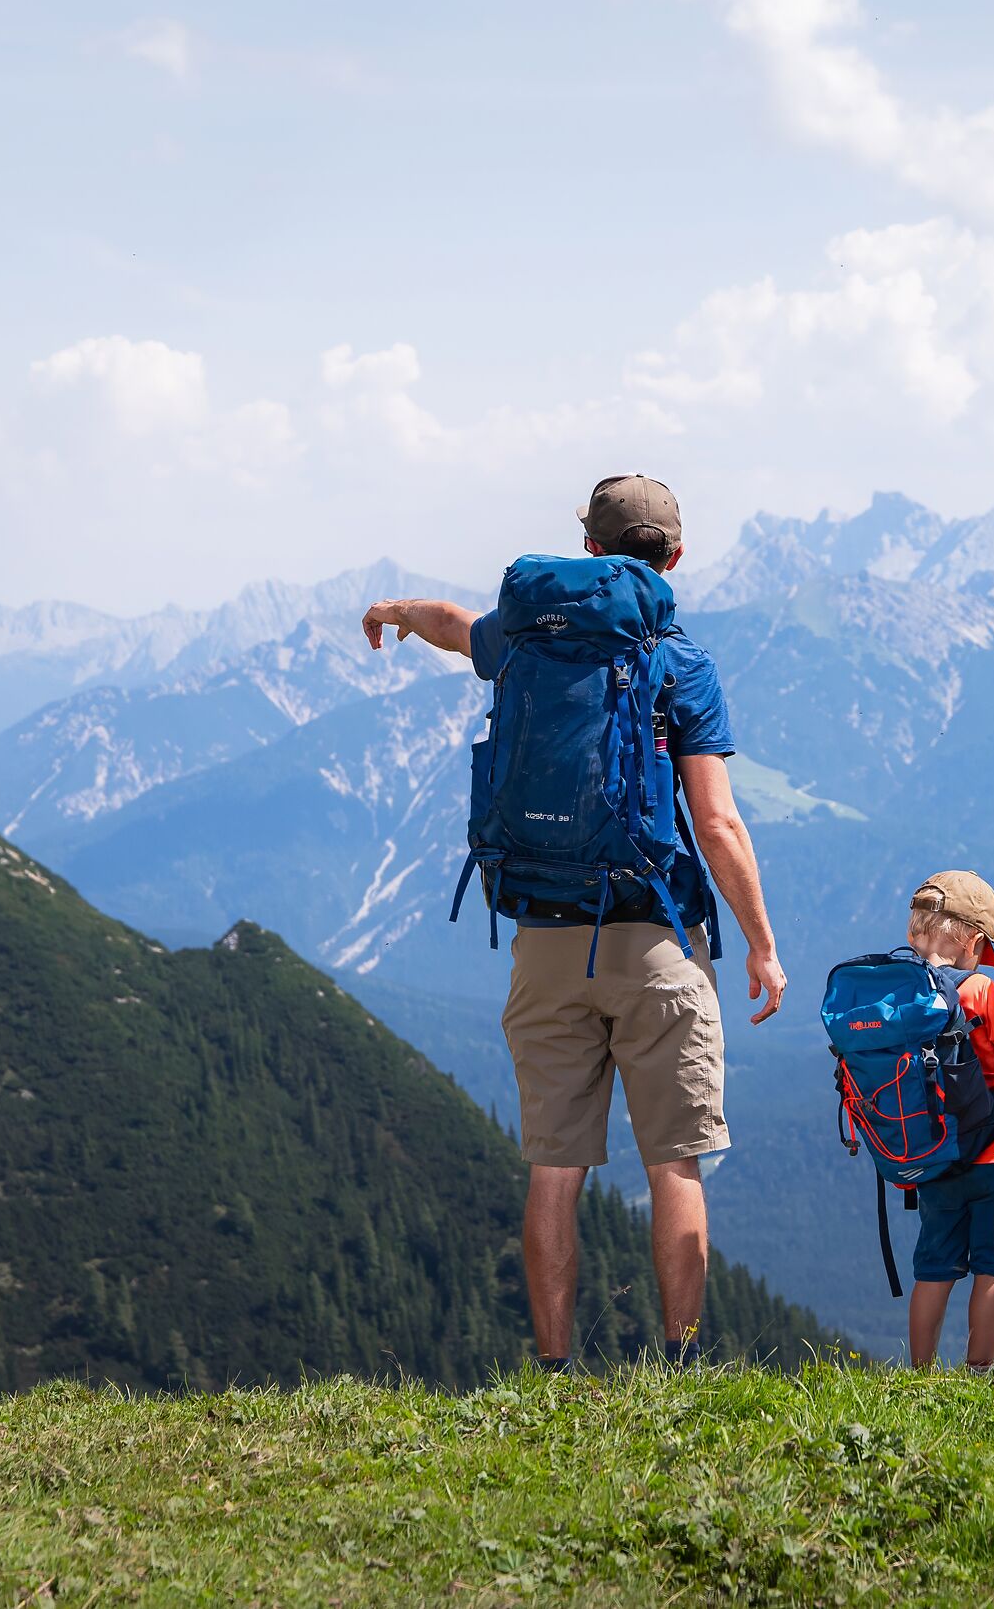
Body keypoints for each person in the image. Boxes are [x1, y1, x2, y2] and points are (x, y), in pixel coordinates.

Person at [360, 474, 787, 1373]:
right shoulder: (680, 662)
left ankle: (554, 1373)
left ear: (587, 547)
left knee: (555, 1169)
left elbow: (448, 621)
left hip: (544, 936)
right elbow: (715, 822)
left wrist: (395, 610)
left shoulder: (523, 636)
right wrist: (761, 942)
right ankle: (680, 1364)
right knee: (674, 1162)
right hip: (655, 937)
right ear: (674, 557)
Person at [898, 871, 994, 1371]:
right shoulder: (977, 989)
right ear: (974, 941)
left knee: (934, 1267)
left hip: (933, 1154)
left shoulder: (900, 993)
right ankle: (979, 1370)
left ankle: (920, 1371)